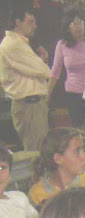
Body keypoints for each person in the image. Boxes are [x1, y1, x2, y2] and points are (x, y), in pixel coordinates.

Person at [0, 5, 51, 150]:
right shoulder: (13, 44)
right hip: (29, 105)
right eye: (30, 21)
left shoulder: (20, 43)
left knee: (41, 151)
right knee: (37, 153)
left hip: (34, 105)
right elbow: (43, 71)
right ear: (18, 22)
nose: (35, 26)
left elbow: (37, 69)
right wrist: (43, 64)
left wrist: (43, 62)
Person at [49, 8, 85, 126]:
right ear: (67, 27)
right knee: (79, 126)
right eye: (74, 24)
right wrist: (48, 93)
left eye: (81, 22)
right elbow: (55, 71)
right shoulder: (62, 45)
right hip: (73, 94)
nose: (79, 27)